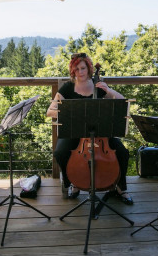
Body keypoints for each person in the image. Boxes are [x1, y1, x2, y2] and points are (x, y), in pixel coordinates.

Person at [46, 52, 133, 204]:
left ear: (89, 69)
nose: (80, 72)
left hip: (101, 133)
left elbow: (122, 103)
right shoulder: (67, 88)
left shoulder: (98, 85)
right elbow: (50, 111)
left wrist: (108, 90)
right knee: (60, 153)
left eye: (83, 68)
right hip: (75, 131)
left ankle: (121, 187)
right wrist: (69, 111)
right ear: (72, 71)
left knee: (123, 152)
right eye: (77, 69)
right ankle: (72, 183)